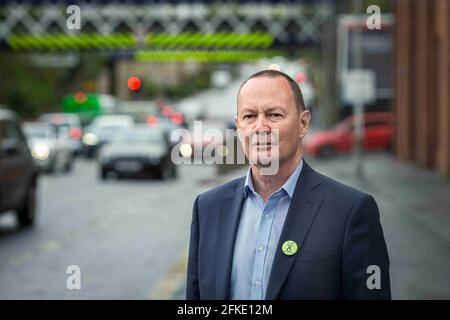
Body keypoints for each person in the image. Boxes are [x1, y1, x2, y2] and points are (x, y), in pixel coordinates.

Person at [186, 70, 391, 300]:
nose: (260, 127)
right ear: (238, 126)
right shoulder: (207, 208)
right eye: (249, 116)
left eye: (274, 115)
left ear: (303, 123)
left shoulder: (351, 211)